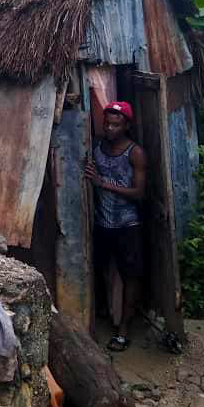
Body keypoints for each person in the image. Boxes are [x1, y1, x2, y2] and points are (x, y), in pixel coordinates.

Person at [84, 101, 146, 351]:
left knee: (130, 276)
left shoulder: (135, 153)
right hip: (101, 223)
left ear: (127, 126)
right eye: (107, 123)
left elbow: (139, 193)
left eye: (116, 124)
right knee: (98, 269)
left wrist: (101, 183)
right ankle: (101, 313)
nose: (110, 128)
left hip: (127, 224)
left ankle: (123, 331)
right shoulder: (96, 146)